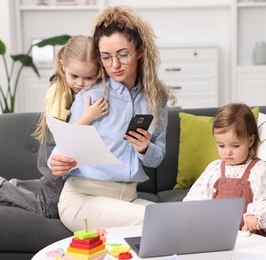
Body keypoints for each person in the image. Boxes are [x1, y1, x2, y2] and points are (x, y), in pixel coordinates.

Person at [49, 6, 176, 231]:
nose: (114, 65)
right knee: (160, 221)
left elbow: (156, 159)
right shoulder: (90, 96)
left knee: (180, 220)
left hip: (127, 198)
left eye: (123, 54)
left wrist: (145, 148)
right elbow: (63, 148)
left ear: (140, 51)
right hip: (83, 198)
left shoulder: (155, 98)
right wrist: (56, 161)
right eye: (106, 57)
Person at [0, 35, 108, 219]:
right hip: (55, 150)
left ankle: (14, 185)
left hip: (67, 151)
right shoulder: (58, 90)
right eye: (74, 76)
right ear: (62, 65)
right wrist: (89, 116)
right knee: (51, 207)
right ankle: (2, 189)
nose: (80, 83)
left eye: (88, 78)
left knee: (48, 189)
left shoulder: (85, 89)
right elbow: (63, 134)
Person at [183, 103, 266, 239]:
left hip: (252, 237)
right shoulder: (214, 169)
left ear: (250, 141)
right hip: (219, 235)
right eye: (221, 145)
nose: (227, 152)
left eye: (235, 146)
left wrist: (256, 216)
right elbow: (196, 198)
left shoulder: (260, 170)